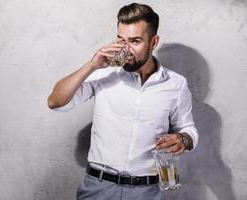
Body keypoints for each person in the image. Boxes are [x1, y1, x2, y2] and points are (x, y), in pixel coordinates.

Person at [47, 3, 199, 200]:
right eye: (121, 40)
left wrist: (183, 139)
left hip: (147, 191)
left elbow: (188, 128)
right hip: (98, 188)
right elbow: (55, 101)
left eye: (135, 41)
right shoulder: (103, 72)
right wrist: (92, 65)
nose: (126, 49)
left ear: (153, 43)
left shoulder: (176, 84)